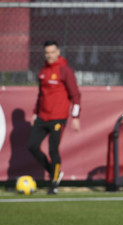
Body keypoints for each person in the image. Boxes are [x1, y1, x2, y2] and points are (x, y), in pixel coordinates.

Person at [29, 40, 81, 195]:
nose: (50, 55)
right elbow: (41, 94)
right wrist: (35, 112)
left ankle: (53, 183)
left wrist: (76, 116)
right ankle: (54, 172)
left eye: (52, 52)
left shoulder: (65, 70)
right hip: (42, 116)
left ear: (58, 52)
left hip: (58, 117)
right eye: (47, 53)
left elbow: (76, 95)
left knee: (53, 150)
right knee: (32, 145)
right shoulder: (43, 71)